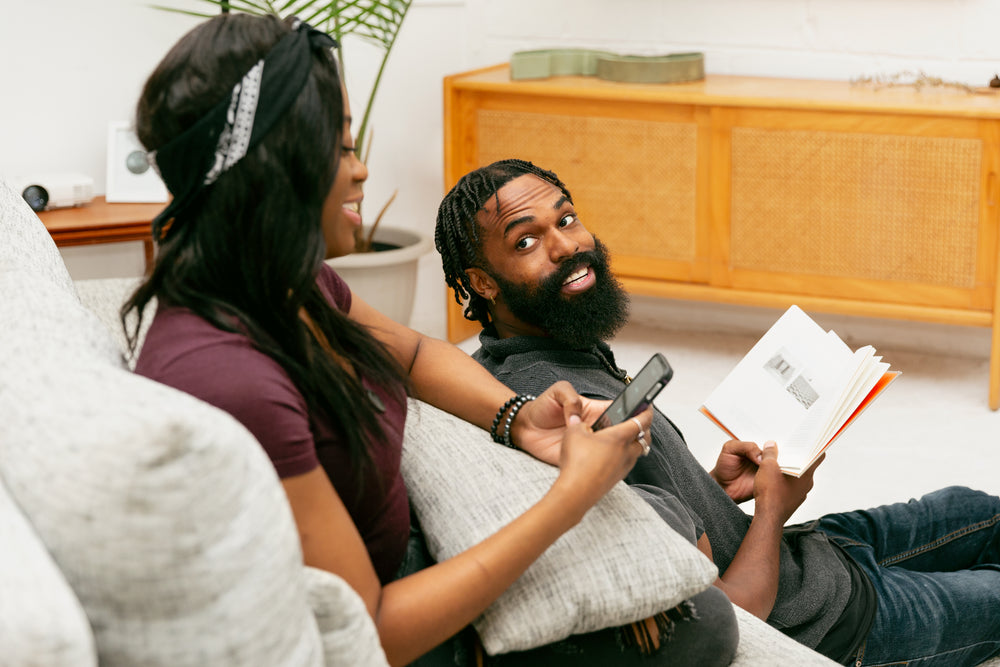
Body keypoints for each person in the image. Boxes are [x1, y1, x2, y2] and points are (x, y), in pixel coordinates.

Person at [122, 15, 738, 667]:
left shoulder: (284, 283)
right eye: (341, 151)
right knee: (707, 624)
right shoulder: (231, 377)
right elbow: (368, 633)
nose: (361, 173)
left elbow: (414, 354)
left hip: (413, 549)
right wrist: (568, 500)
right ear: (281, 170)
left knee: (662, 515)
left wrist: (520, 418)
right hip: (406, 627)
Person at [435, 158, 1000, 667]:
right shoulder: (557, 417)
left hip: (811, 555)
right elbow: (727, 618)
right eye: (526, 243)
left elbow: (665, 525)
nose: (566, 247)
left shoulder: (537, 355)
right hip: (831, 624)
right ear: (482, 282)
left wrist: (711, 489)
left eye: (565, 219)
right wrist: (775, 510)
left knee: (975, 509)